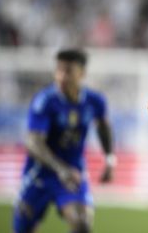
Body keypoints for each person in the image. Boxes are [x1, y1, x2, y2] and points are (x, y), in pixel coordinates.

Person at [13, 49, 116, 233]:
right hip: (40, 174)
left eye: (68, 70)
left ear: (82, 73)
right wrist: (61, 169)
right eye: (59, 70)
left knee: (82, 225)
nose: (61, 76)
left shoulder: (94, 101)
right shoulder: (45, 101)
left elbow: (103, 127)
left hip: (73, 173)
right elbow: (33, 142)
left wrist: (109, 159)